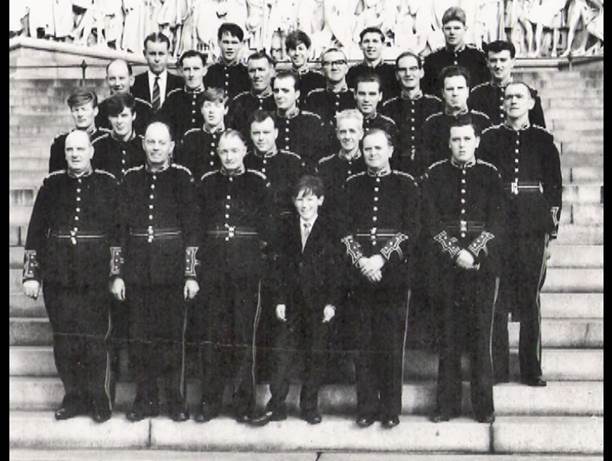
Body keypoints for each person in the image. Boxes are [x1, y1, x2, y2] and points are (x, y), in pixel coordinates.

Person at [23, 130, 119, 423]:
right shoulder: (52, 185)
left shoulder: (107, 183)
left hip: (95, 276)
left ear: (91, 151)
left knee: (94, 339)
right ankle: (73, 396)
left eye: (80, 149)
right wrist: (32, 275)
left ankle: (99, 397)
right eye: (70, 150)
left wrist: (116, 273)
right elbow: (36, 231)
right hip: (59, 275)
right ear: (64, 154)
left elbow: (117, 234)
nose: (75, 154)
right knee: (64, 341)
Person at [111, 120, 199, 422]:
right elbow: (119, 230)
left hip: (172, 275)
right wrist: (118, 273)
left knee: (173, 339)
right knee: (139, 340)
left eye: (162, 142)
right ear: (143, 144)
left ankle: (175, 400)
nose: (156, 148)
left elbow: (192, 230)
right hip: (137, 274)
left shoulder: (182, 178)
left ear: (172, 146)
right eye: (151, 142)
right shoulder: (130, 179)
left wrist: (190, 274)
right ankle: (144, 398)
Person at [479, 82, 562, 387]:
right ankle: (498, 368)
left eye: (519, 97)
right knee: (497, 296)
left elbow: (554, 188)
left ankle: (531, 368)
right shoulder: (489, 139)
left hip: (532, 224)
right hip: (498, 224)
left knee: (530, 297)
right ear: (502, 103)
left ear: (530, 103)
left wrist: (550, 232)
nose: (513, 101)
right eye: (508, 96)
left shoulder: (543, 140)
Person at [422, 115, 504, 424]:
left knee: (481, 336)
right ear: (448, 143)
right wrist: (455, 251)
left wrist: (473, 250)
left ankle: (484, 406)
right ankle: (447, 405)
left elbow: (498, 220)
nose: (461, 145)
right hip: (446, 267)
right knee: (449, 336)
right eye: (456, 139)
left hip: (482, 267)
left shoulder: (491, 174)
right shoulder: (435, 174)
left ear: (477, 141)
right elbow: (430, 220)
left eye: (467, 139)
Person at [340, 128, 420, 429]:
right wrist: (361, 259)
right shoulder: (351, 184)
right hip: (358, 274)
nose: (372, 154)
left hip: (393, 275)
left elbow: (412, 228)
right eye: (367, 149)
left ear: (390, 150)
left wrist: (381, 258)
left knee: (390, 343)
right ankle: (366, 407)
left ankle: (390, 408)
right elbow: (343, 229)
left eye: (378, 148)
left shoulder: (406, 184)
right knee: (362, 343)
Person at [250, 175, 343, 426]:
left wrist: (331, 303)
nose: (305, 205)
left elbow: (337, 270)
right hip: (290, 301)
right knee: (282, 352)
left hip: (318, 303)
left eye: (310, 199)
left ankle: (309, 405)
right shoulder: (286, 228)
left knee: (315, 353)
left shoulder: (331, 229)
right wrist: (280, 299)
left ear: (320, 201)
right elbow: (278, 267)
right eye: (300, 200)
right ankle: (276, 404)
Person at [195, 129, 273, 423]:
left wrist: (256, 261)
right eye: (223, 151)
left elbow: (268, 230)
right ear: (218, 152)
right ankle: (210, 401)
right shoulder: (207, 182)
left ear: (245, 151)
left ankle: (244, 404)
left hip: (246, 272)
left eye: (234, 150)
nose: (228, 156)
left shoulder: (258, 182)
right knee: (212, 336)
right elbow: (198, 226)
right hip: (213, 271)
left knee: (244, 337)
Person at [419, 66, 491, 176]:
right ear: (443, 92)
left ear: (467, 91)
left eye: (460, 88)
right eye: (450, 89)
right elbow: (426, 160)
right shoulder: (432, 123)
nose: (455, 93)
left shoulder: (482, 121)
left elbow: (487, 157)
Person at [381, 51, 442, 176]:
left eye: (413, 69)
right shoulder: (388, 107)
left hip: (431, 169)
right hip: (398, 169)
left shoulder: (436, 104)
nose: (408, 74)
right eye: (403, 70)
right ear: (397, 75)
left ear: (421, 72)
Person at [469, 40, 546, 127]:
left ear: (513, 62)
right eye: (493, 60)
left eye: (503, 60)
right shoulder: (476, 95)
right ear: (487, 62)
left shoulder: (528, 94)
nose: (498, 66)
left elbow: (539, 132)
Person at [244, 110, 305, 216]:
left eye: (266, 132)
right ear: (250, 134)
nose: (261, 138)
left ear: (276, 133)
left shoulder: (292, 161)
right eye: (256, 133)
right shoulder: (244, 161)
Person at [422, 6, 490, 96]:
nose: (452, 32)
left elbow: (484, 89)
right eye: (448, 28)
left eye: (457, 28)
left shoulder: (478, 57)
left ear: (465, 29)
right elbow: (428, 91)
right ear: (442, 30)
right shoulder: (432, 60)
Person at [272, 69, 328, 169]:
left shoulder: (312, 121)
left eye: (285, 91)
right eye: (276, 91)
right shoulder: (268, 121)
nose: (279, 95)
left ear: (297, 94)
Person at [48, 89, 108, 173]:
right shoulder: (60, 142)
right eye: (76, 110)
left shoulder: (107, 140)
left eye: (84, 109)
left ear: (95, 111)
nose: (80, 114)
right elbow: (55, 179)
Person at [175, 87, 228, 179]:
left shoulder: (231, 138)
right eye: (207, 106)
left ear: (225, 110)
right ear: (201, 109)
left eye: (217, 106)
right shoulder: (190, 137)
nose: (211, 111)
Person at [91, 92, 146, 179]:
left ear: (133, 116)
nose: (119, 121)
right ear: (109, 118)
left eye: (124, 116)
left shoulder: (144, 145)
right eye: (114, 116)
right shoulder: (97, 146)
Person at [317, 109, 366, 206]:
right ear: (337, 134)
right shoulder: (325, 165)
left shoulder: (367, 163)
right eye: (343, 132)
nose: (347, 137)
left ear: (361, 134)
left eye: (352, 131)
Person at [95, 59, 154, 136]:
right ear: (106, 81)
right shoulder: (100, 110)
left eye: (121, 78)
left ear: (131, 80)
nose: (117, 83)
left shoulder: (145, 109)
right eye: (112, 79)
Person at [303, 48, 356, 132]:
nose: (334, 67)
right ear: (322, 70)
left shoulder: (356, 96)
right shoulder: (314, 97)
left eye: (339, 62)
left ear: (346, 68)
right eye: (328, 63)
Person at [159, 50, 207, 141]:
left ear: (204, 70)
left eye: (196, 69)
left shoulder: (212, 97)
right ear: (181, 71)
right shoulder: (173, 98)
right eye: (187, 69)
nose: (191, 74)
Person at [227, 51, 277, 136]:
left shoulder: (278, 101)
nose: (257, 75)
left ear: (272, 72)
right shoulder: (238, 103)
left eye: (261, 70)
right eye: (252, 71)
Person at [131, 33, 183, 112]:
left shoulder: (179, 84)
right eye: (152, 54)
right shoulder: (135, 83)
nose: (157, 59)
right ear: (145, 54)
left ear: (168, 54)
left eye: (161, 54)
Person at [346, 27, 399, 102]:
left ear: (383, 45)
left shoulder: (393, 72)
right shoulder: (352, 72)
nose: (370, 45)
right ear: (360, 45)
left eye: (375, 41)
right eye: (366, 41)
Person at [203, 23, 251, 100]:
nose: (230, 47)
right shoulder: (209, 72)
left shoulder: (247, 73)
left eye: (234, 43)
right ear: (219, 42)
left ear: (241, 44)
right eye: (226, 42)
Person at [353, 72, 398, 147]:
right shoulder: (345, 122)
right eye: (362, 94)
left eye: (372, 94)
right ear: (355, 94)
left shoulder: (388, 125)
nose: (366, 99)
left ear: (380, 96)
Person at [284, 30, 326, 108]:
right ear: (287, 52)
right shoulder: (282, 79)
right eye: (293, 49)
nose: (297, 53)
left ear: (308, 50)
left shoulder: (320, 79)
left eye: (301, 48)